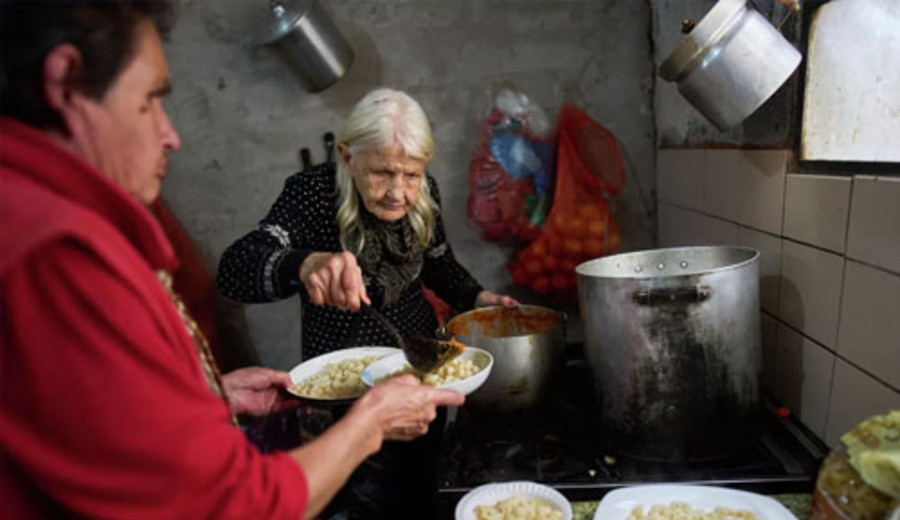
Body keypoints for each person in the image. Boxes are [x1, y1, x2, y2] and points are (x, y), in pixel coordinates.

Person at [0, 2, 464, 519]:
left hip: (411, 377)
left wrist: (207, 395)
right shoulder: (55, 254)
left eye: (411, 175)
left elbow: (95, 425)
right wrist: (304, 268)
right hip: (345, 406)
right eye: (151, 99)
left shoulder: (46, 224)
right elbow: (234, 502)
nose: (170, 135)